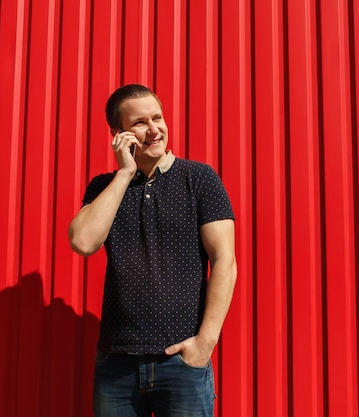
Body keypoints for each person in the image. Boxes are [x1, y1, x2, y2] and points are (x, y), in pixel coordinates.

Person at [68, 84, 237, 417]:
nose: (154, 129)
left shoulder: (199, 178)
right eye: (140, 123)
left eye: (157, 117)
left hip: (181, 362)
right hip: (116, 364)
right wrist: (125, 173)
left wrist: (205, 343)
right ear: (119, 134)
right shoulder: (104, 187)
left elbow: (224, 262)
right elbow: (83, 242)